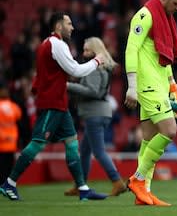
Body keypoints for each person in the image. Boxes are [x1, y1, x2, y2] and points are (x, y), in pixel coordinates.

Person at [0, 12, 107, 201]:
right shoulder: (57, 44)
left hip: (58, 102)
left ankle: (82, 188)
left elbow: (42, 73)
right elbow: (75, 70)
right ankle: (9, 183)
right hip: (52, 103)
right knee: (37, 143)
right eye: (69, 23)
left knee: (72, 142)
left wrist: (37, 89)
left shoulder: (46, 44)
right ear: (59, 26)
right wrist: (97, 60)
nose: (72, 27)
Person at [124, 0, 177, 206]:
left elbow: (162, 55)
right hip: (147, 85)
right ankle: (138, 179)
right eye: (176, 3)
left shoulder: (164, 19)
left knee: (149, 139)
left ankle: (145, 193)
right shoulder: (144, 16)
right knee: (169, 131)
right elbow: (131, 48)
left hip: (159, 84)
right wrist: (131, 86)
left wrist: (173, 86)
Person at [63, 37, 127, 197]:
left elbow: (92, 91)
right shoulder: (103, 67)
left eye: (87, 50)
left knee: (98, 151)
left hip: (95, 113)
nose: (84, 53)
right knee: (85, 151)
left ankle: (117, 182)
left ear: (95, 51)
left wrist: (68, 86)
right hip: (99, 112)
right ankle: (80, 185)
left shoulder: (94, 68)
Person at [0, 80, 22, 184]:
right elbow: (19, 116)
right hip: (7, 143)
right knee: (6, 170)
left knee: (7, 169)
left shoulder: (13, 105)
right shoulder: (13, 106)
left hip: (10, 143)